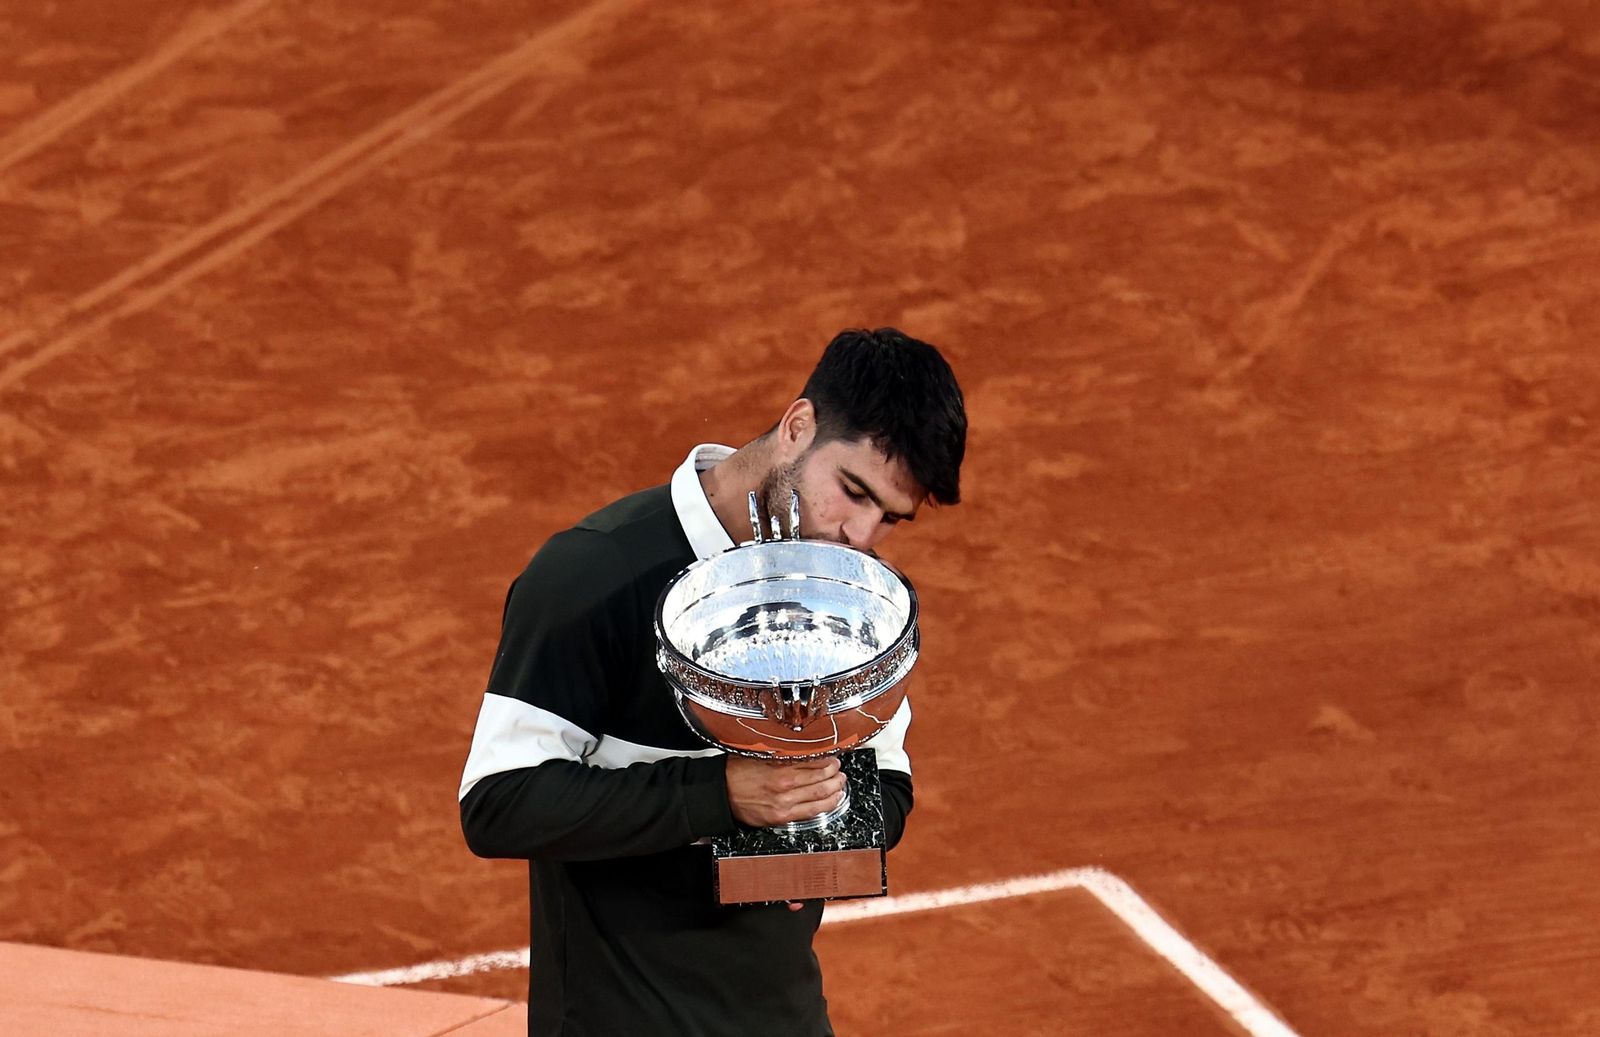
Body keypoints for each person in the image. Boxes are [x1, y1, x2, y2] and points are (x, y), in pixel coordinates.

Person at [459, 327, 968, 1036]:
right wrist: (722, 793)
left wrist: (815, 824)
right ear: (798, 428)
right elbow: (498, 801)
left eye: (890, 517)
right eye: (852, 491)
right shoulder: (595, 576)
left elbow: (886, 788)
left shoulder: (859, 603)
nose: (861, 535)